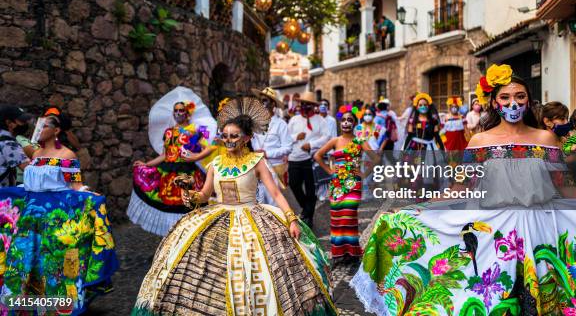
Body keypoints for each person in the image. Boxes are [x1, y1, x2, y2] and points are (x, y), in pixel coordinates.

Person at [351, 64, 576, 315]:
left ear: (529, 101)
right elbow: (461, 187)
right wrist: (415, 210)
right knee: (497, 302)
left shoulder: (546, 139)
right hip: (494, 234)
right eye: (505, 97)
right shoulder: (479, 142)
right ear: (495, 103)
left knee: (541, 299)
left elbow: (566, 189)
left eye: (520, 96)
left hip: (541, 230)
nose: (513, 103)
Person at [132, 97, 335, 315]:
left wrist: (291, 218)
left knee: (259, 270)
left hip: (253, 218)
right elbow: (203, 196)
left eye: (234, 136)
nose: (228, 140)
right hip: (218, 217)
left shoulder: (257, 162)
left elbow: (275, 192)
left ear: (246, 138)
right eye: (225, 136)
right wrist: (188, 192)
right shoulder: (215, 164)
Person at [0, 112, 118, 315]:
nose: (38, 130)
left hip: (56, 217)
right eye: (38, 126)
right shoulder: (35, 155)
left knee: (52, 264)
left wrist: (90, 196)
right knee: (24, 260)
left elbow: (76, 185)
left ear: (56, 131)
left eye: (44, 126)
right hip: (30, 218)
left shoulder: (67, 156)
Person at [129, 95, 216, 236]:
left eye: (181, 110)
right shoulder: (169, 132)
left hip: (188, 174)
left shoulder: (195, 131)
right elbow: (164, 155)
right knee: (169, 208)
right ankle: (171, 242)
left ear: (187, 113)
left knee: (187, 207)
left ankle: (186, 240)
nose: (178, 113)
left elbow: (206, 148)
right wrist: (146, 164)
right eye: (175, 111)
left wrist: (196, 150)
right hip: (168, 173)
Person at [314, 110, 377, 266]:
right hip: (337, 185)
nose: (346, 122)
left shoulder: (360, 141)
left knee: (348, 216)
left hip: (353, 184)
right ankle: (339, 253)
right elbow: (317, 155)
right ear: (340, 123)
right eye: (344, 120)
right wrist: (329, 171)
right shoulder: (335, 140)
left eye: (350, 120)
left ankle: (352, 253)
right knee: (337, 220)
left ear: (354, 123)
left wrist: (363, 173)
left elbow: (376, 157)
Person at [287, 92, 331, 228]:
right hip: (294, 158)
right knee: (294, 184)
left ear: (312, 106)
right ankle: (307, 209)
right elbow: (287, 137)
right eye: (302, 103)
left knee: (311, 189)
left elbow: (326, 136)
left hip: (310, 159)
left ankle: (308, 216)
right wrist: (296, 137)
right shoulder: (294, 120)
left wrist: (311, 145)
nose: (303, 106)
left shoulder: (320, 120)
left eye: (307, 104)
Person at [250, 87, 292, 206]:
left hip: (274, 166)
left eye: (266, 101)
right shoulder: (254, 123)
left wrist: (267, 153)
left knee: (274, 202)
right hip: (257, 165)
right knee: (259, 200)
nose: (262, 103)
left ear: (273, 104)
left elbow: (288, 147)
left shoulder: (280, 124)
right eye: (261, 100)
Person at [402, 93, 447, 191]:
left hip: (430, 148)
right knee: (414, 170)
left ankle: (428, 192)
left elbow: (437, 136)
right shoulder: (412, 121)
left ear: (429, 106)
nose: (423, 107)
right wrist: (404, 150)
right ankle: (416, 192)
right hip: (415, 148)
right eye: (420, 105)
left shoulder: (433, 121)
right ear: (416, 106)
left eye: (425, 105)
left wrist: (442, 150)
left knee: (429, 171)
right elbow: (409, 136)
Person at [0, 105, 32, 187]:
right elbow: (29, 170)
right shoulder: (9, 143)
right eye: (21, 121)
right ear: (9, 123)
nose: (25, 124)